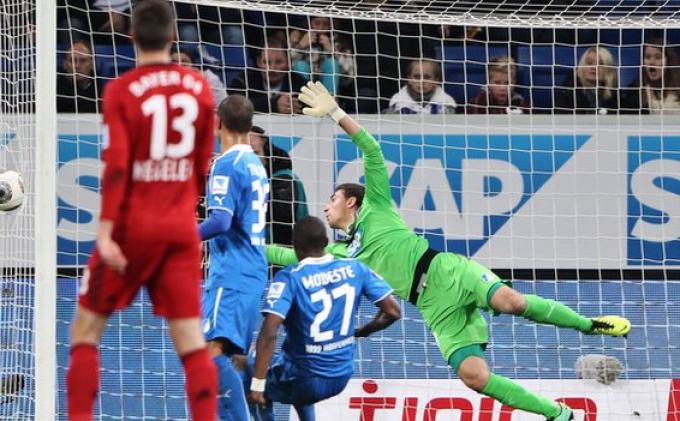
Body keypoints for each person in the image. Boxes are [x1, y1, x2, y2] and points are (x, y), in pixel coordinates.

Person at [267, 81, 634, 421]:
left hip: (447, 270)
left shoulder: (376, 206)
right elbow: (285, 255)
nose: (326, 206)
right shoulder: (337, 254)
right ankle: (558, 414)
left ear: (351, 201)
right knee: (474, 376)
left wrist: (336, 113)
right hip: (431, 304)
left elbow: (372, 151)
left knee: (511, 302)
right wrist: (245, 244)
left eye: (332, 199)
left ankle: (589, 325)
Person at [66, 1, 218, 420]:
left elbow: (117, 166)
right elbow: (202, 164)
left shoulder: (120, 89)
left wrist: (105, 231)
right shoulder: (200, 87)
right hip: (180, 229)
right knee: (192, 342)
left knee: (85, 331)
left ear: (131, 35)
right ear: (173, 36)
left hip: (132, 228)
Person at [240, 216, 401, 421]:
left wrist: (258, 384)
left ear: (295, 245)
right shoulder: (356, 268)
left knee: (248, 366)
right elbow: (393, 312)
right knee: (287, 362)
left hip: (303, 380)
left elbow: (269, 332)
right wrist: (362, 331)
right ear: (326, 242)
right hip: (341, 377)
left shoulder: (291, 277)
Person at [198, 95, 270, 420]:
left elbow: (220, 222)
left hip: (232, 271)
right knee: (232, 356)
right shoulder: (255, 163)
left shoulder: (226, 164)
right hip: (252, 269)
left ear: (218, 123)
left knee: (210, 353)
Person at [249, 125, 309, 246]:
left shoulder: (285, 179)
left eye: (255, 153)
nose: (248, 159)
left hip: (280, 253)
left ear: (268, 153)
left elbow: (281, 214)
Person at [228, 38, 306, 114]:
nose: (272, 69)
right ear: (258, 62)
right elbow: (234, 104)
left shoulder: (300, 84)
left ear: (289, 62)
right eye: (266, 62)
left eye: (279, 62)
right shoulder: (243, 81)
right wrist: (274, 105)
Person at [621, 38, 680, 114]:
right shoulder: (635, 91)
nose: (652, 62)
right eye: (647, 57)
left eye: (658, 57)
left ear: (668, 61)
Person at [554, 46, 619, 114]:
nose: (594, 67)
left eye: (601, 64)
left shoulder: (617, 98)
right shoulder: (566, 95)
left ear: (609, 70)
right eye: (589, 63)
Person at [387, 59, 457, 114]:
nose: (421, 81)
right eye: (417, 77)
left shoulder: (446, 102)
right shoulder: (398, 102)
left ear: (436, 81)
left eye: (427, 77)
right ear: (409, 80)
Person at [57, 40, 101, 113]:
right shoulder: (54, 91)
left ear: (92, 64)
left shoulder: (102, 91)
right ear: (64, 64)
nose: (77, 66)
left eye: (83, 60)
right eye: (72, 60)